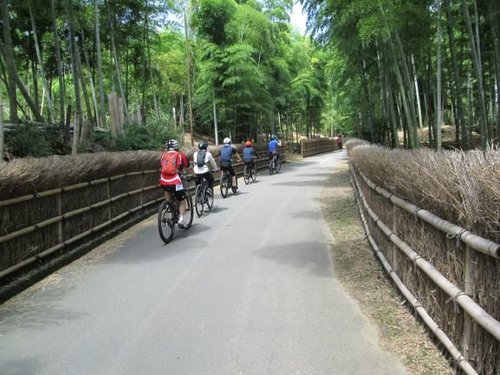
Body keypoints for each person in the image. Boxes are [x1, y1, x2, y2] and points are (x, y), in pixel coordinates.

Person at [159, 139, 190, 227]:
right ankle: (181, 219)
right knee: (182, 200)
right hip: (176, 181)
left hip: (164, 181)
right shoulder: (180, 154)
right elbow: (187, 165)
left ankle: (168, 212)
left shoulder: (163, 156)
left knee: (168, 200)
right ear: (176, 146)